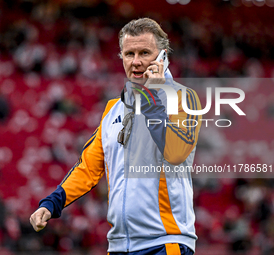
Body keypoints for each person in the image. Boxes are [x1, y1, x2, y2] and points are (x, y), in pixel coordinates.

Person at [30, 18, 202, 255]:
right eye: (129, 54)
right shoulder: (113, 109)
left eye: (145, 53)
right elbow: (88, 167)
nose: (137, 61)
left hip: (165, 243)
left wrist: (153, 98)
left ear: (163, 57)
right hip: (119, 246)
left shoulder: (184, 98)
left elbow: (175, 152)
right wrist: (52, 203)